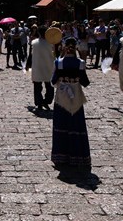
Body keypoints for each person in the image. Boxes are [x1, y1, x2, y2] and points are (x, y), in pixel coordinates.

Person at [51, 37, 91, 169]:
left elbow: (53, 81)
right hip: (76, 97)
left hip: (61, 97)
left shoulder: (59, 63)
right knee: (76, 126)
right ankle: (77, 156)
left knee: (61, 125)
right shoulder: (81, 63)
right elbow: (85, 82)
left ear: (64, 47)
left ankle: (61, 155)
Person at [27, 25, 55, 110]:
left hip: (37, 67)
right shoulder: (51, 43)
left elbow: (30, 55)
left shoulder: (34, 43)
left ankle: (39, 102)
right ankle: (46, 101)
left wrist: (28, 65)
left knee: (37, 87)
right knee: (50, 87)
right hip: (48, 67)